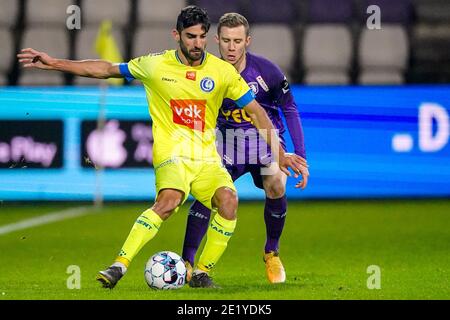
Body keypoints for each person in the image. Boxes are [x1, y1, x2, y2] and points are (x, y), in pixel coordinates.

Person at [17, 6, 308, 288]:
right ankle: (120, 264)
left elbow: (258, 113)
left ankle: (202, 273)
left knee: (229, 202)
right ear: (176, 35)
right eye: (190, 36)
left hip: (207, 157)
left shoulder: (221, 71)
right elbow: (105, 69)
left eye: (201, 37)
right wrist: (55, 63)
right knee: (168, 201)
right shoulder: (155, 65)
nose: (197, 43)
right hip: (172, 154)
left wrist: (282, 154)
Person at [182, 13, 308, 284]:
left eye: (237, 41)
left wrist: (301, 156)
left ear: (247, 41)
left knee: (276, 181)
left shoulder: (267, 71)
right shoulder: (206, 72)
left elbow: (289, 108)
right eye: (225, 40)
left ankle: (271, 253)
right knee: (207, 193)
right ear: (216, 40)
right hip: (228, 142)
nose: (231, 47)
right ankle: (187, 262)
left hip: (266, 140)